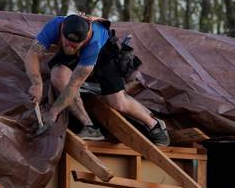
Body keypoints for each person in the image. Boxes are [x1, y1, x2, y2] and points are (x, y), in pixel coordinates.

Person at [24, 14, 170, 145]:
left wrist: (53, 113)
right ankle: (90, 127)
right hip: (78, 54)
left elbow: (73, 85)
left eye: (75, 45)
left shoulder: (93, 44)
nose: (69, 46)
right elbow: (32, 54)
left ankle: (154, 125)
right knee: (58, 77)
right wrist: (37, 84)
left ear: (85, 39)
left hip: (103, 52)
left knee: (118, 103)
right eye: (66, 42)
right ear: (62, 30)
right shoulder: (55, 26)